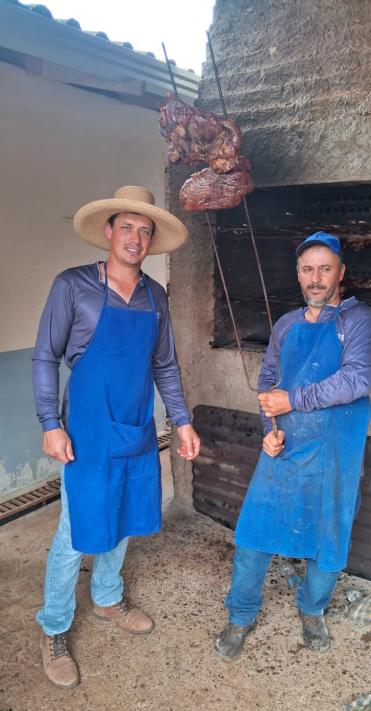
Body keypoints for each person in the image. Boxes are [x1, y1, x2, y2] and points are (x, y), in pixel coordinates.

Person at [33, 185, 200, 688]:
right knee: (74, 530)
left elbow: (165, 365)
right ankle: (55, 626)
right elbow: (44, 356)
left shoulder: (155, 296)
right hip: (83, 430)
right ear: (108, 231)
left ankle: (107, 597)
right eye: (127, 226)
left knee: (124, 515)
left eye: (144, 230)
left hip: (133, 426)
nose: (135, 237)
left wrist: (183, 419)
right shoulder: (73, 286)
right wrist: (49, 423)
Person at [214, 231, 371, 658]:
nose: (316, 278)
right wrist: (268, 427)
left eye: (325, 268)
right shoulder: (286, 325)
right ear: (298, 275)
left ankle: (312, 609)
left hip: (334, 456)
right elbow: (268, 382)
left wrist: (295, 399)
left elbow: (357, 379)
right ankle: (240, 614)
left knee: (328, 539)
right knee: (253, 535)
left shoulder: (358, 320)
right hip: (285, 449)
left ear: (341, 273)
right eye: (308, 269)